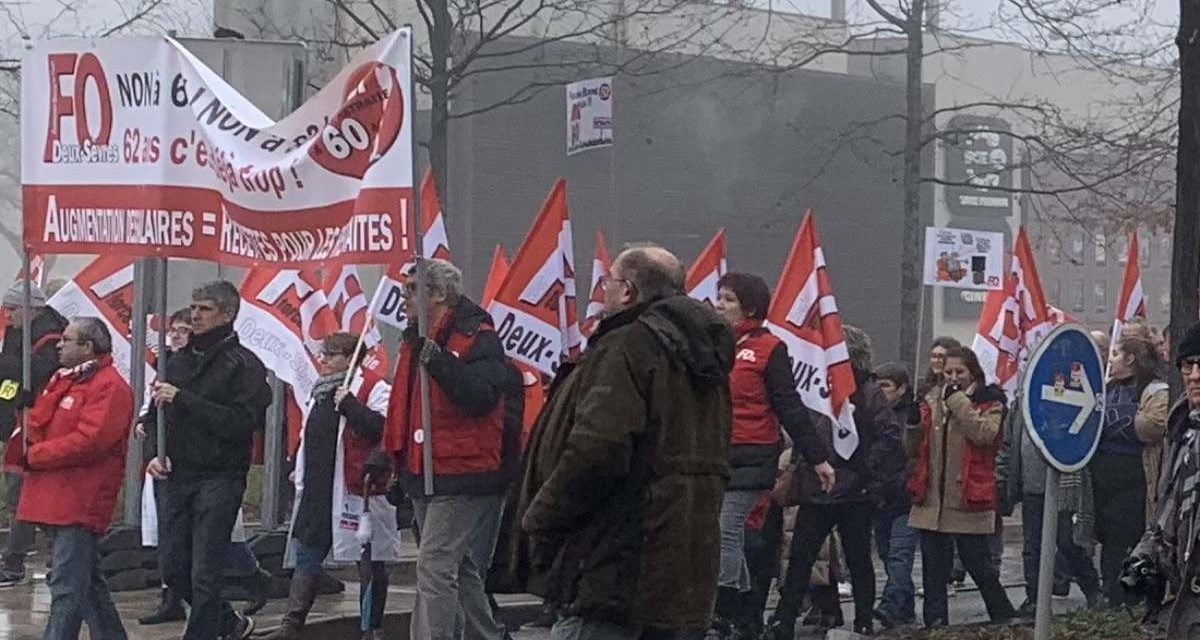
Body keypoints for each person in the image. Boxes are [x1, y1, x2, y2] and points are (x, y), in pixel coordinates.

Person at [488, 244, 733, 639]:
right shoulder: (702, 357)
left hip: (617, 557)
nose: (603, 291)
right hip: (684, 558)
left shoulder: (627, 346)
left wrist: (541, 516)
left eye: (608, 282)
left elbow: (597, 449)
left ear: (628, 291)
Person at [382, 259, 522, 640]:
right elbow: (406, 408)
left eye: (412, 289)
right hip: (427, 469)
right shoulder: (415, 339)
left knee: (434, 565)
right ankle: (485, 635)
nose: (403, 298)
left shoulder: (478, 336)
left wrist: (436, 358)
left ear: (440, 294)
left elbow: (479, 396)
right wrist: (392, 456)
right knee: (457, 566)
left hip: (464, 470)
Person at [707, 272, 834, 639]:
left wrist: (817, 458)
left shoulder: (769, 347)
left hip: (753, 454)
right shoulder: (714, 345)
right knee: (724, 531)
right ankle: (748, 613)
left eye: (728, 299)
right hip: (716, 453)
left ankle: (722, 610)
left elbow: (789, 406)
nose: (719, 305)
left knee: (725, 529)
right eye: (719, 297)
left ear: (749, 306)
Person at [146, 281, 271, 640]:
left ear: (227, 314)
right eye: (194, 307)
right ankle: (228, 622)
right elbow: (154, 413)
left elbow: (241, 424)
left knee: (205, 571)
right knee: (173, 567)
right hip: (176, 474)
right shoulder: (177, 362)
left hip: (220, 476)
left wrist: (185, 400)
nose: (195, 316)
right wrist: (155, 449)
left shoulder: (245, 364)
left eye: (204, 309)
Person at [767, 325, 899, 638]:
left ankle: (862, 618)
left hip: (853, 490)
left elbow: (889, 435)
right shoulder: (816, 385)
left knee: (854, 559)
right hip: (820, 487)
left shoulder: (866, 390)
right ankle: (786, 619)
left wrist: (864, 469)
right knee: (802, 558)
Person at [264, 332, 398, 640]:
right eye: (323, 354)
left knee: (369, 559)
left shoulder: (372, 387)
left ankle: (371, 627)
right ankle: (292, 623)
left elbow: (384, 430)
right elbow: (311, 433)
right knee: (308, 554)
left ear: (352, 359)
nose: (322, 360)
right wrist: (295, 464)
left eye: (331, 354)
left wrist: (350, 404)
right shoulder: (320, 390)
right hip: (317, 488)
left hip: (356, 490)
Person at [13, 317, 133, 640]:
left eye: (67, 339)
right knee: (86, 581)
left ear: (88, 347)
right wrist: (24, 413)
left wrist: (36, 456)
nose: (59, 344)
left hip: (81, 497)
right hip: (57, 495)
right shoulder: (63, 380)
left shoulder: (109, 386)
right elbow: (39, 426)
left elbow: (90, 441)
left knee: (67, 582)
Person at [908, 346, 1017, 627]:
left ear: (973, 372)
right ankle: (935, 625)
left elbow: (985, 435)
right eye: (948, 373)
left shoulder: (990, 400)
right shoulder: (931, 399)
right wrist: (911, 424)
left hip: (967, 497)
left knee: (979, 565)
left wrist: (957, 401)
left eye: (960, 372)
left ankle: (1005, 617)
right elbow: (913, 449)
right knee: (933, 571)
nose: (954, 378)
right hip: (932, 500)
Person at [1000, 385, 1102, 613]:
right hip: (1030, 485)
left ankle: (1092, 588)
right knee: (1032, 546)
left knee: (1067, 541)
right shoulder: (1019, 405)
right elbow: (1009, 443)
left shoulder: (1059, 400)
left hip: (1060, 486)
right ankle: (1034, 598)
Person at [1127, 322, 1200, 637]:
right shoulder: (1181, 428)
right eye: (1188, 365)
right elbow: (1167, 505)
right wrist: (1144, 556)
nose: (1195, 376)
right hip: (1185, 586)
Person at [1093, 334, 1168, 607]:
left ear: (1131, 359)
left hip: (1134, 474)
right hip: (1104, 474)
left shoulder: (1153, 390)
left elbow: (1149, 428)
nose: (1110, 361)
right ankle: (1112, 593)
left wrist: (1118, 423)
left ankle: (1132, 595)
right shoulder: (1107, 388)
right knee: (1109, 540)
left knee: (1130, 539)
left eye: (1115, 355)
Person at [0, 281, 67, 586]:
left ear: (30, 309)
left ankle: (30, 560)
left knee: (30, 494)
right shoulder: (16, 334)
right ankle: (19, 559)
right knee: (20, 496)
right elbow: (9, 382)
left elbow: (39, 372)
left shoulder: (53, 337)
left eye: (12, 308)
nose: (7, 314)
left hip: (43, 427)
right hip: (16, 423)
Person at [871, 362, 920, 628]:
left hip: (905, 496)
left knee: (899, 554)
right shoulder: (874, 414)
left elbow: (913, 452)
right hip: (881, 497)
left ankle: (890, 604)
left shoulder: (910, 416)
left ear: (901, 389)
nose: (881, 393)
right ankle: (905, 605)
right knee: (886, 552)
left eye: (886, 387)